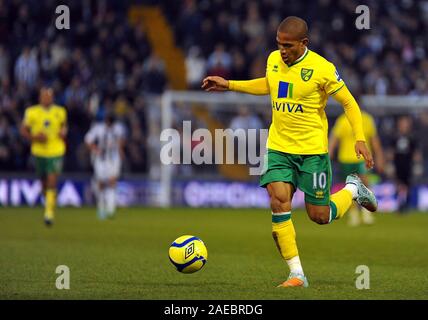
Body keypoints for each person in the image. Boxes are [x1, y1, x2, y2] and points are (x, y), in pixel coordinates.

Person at [202, 16, 377, 288]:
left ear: (303, 43)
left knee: (319, 216)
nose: (282, 50)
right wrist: (230, 84)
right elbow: (270, 84)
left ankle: (353, 190)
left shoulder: (322, 68)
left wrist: (360, 138)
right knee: (278, 201)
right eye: (279, 44)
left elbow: (349, 103)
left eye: (288, 45)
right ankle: (297, 274)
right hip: (279, 148)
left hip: (312, 153)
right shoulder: (273, 59)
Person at [20, 87, 67, 226]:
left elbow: (64, 127)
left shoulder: (60, 111)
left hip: (56, 150)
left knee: (52, 179)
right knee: (44, 183)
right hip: (39, 151)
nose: (47, 98)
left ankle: (48, 214)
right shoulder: (31, 112)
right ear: (40, 97)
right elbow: (23, 130)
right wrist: (34, 137)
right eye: (44, 96)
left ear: (52, 97)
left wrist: (63, 133)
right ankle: (50, 201)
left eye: (49, 96)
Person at [329, 110, 385, 226]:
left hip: (361, 157)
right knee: (349, 186)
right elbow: (334, 139)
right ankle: (354, 214)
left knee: (364, 182)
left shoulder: (366, 119)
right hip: (345, 158)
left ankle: (366, 212)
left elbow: (374, 140)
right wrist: (328, 155)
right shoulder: (343, 119)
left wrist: (379, 156)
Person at [85, 113, 125, 219]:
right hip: (101, 160)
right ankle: (101, 208)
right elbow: (88, 140)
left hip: (113, 159)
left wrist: (121, 151)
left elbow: (121, 140)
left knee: (112, 182)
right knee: (101, 184)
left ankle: (111, 209)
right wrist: (95, 149)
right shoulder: (98, 128)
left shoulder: (118, 128)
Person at [388, 115, 421, 212]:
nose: (403, 125)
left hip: (408, 164)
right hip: (398, 164)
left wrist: (417, 165)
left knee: (408, 184)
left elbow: (416, 152)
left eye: (405, 123)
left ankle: (407, 204)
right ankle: (399, 204)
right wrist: (389, 164)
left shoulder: (412, 137)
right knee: (398, 184)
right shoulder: (395, 136)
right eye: (402, 123)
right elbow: (391, 151)